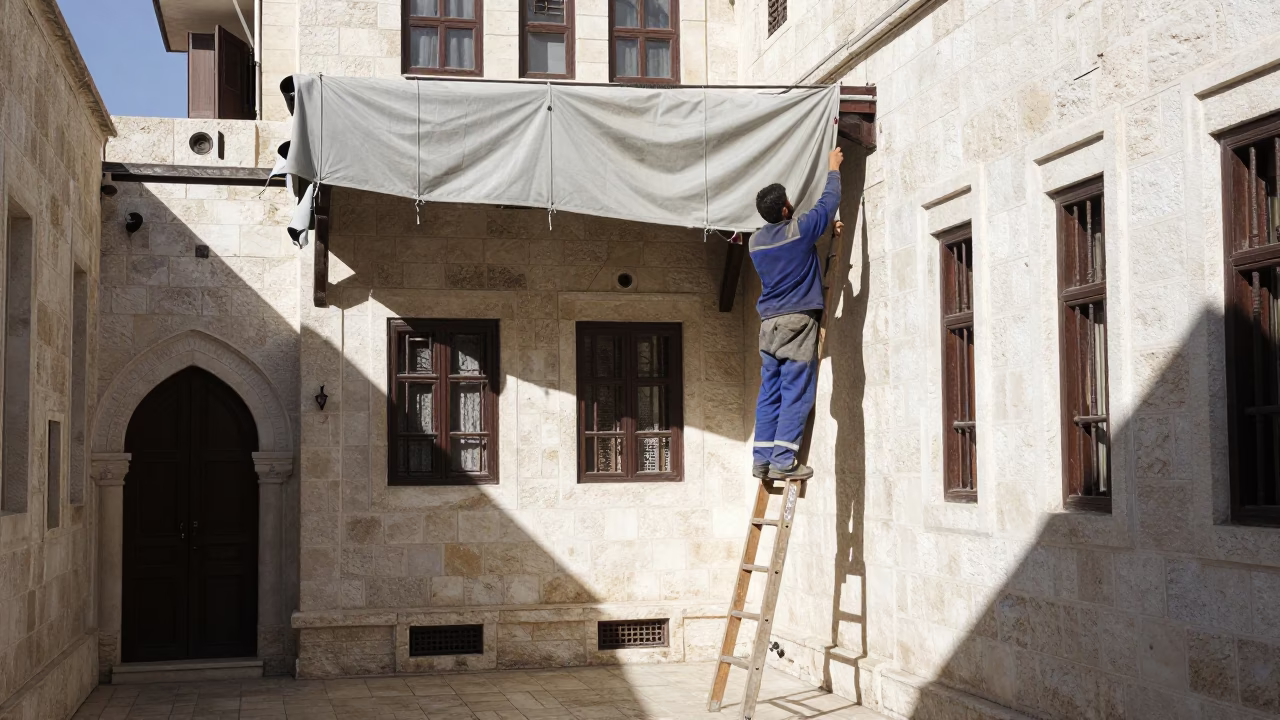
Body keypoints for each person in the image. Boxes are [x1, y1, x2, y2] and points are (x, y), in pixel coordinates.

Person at [748, 146, 844, 480]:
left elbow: (793, 251)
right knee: (796, 390)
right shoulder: (799, 230)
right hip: (797, 322)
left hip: (768, 326)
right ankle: (783, 462)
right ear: (787, 206)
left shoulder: (756, 243)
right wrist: (833, 168)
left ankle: (761, 459)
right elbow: (827, 203)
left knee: (770, 391)